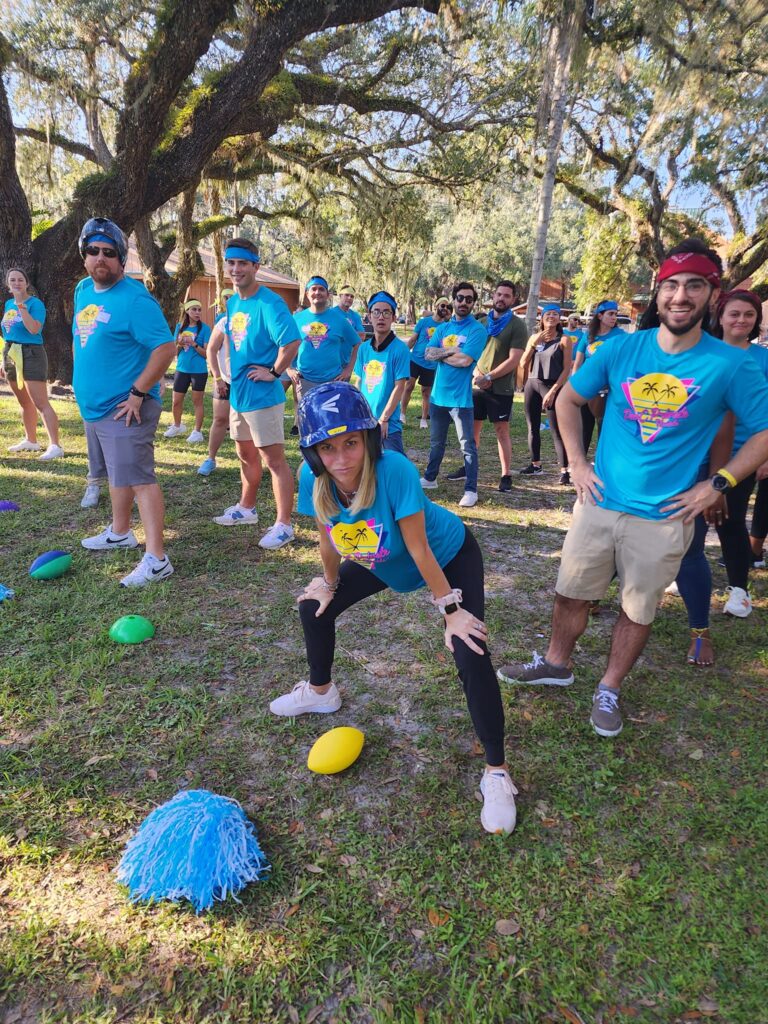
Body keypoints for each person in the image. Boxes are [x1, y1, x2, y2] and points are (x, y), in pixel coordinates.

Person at [497, 239, 768, 739]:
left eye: (694, 285)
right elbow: (569, 401)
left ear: (711, 293)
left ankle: (610, 686)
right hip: (599, 503)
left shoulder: (731, 365)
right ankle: (558, 663)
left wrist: (720, 483)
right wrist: (577, 462)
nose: (681, 296)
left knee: (637, 608)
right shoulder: (620, 348)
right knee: (569, 594)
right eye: (671, 285)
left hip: (665, 515)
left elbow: (763, 430)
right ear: (656, 293)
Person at [271, 381, 518, 835]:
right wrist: (328, 584)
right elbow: (328, 536)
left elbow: (420, 548)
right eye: (327, 447)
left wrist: (451, 611)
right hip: (384, 561)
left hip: (446, 557)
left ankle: (497, 772)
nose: (342, 458)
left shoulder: (395, 469)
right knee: (314, 608)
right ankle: (322, 692)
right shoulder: (313, 479)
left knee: (470, 649)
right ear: (311, 453)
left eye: (351, 443)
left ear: (369, 438)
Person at [72, 217, 176, 586]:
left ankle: (158, 558)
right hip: (95, 407)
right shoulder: (83, 289)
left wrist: (137, 393)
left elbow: (165, 348)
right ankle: (120, 532)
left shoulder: (134, 300)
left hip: (125, 406)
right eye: (93, 251)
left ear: (121, 258)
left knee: (140, 479)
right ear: (84, 255)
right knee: (118, 474)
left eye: (109, 253)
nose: (100, 258)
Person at [208, 237, 300, 549]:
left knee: (273, 460)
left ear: (255, 266)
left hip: (263, 396)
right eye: (231, 263)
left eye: (242, 263)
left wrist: (273, 372)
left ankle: (284, 525)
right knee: (244, 453)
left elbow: (292, 342)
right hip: (239, 395)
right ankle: (246, 508)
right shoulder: (233, 302)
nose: (236, 269)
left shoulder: (270, 303)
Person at [709, 289, 768, 618]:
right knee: (687, 519)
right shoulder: (704, 352)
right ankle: (681, 573)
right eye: (734, 313)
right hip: (699, 450)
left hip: (744, 454)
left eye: (749, 315)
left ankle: (739, 591)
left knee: (730, 521)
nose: (741, 320)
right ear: (721, 316)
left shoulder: (763, 359)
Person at [455, 280, 527, 493]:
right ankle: (468, 467)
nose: (501, 298)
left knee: (501, 431)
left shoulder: (517, 325)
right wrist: (477, 373)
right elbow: (471, 351)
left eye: (506, 295)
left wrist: (490, 376)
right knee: (471, 429)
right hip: (477, 385)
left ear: (513, 300)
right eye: (498, 294)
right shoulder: (482, 322)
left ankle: (506, 475)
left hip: (501, 388)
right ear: (493, 297)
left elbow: (515, 359)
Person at [420, 283, 487, 508]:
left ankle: (471, 489)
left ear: (473, 302)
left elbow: (466, 361)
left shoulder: (477, 330)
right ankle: (430, 478)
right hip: (438, 398)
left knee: (467, 445)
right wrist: (452, 351)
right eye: (460, 298)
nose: (464, 303)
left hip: (461, 400)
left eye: (469, 299)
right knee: (436, 443)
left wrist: (445, 354)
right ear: (454, 300)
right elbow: (428, 353)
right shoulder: (443, 329)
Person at [1, 268, 63, 460]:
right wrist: (3, 359)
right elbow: (7, 331)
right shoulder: (8, 303)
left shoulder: (35, 304)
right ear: (8, 284)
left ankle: (55, 445)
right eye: (13, 280)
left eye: (20, 280)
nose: (17, 283)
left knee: (40, 402)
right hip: (11, 351)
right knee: (24, 401)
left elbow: (34, 329)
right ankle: (31, 441)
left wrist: (22, 307)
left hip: (31, 352)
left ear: (27, 284)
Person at [518, 303, 572, 484]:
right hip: (532, 384)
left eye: (555, 314)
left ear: (559, 319)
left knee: (556, 430)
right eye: (547, 314)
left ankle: (565, 471)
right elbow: (523, 364)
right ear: (541, 318)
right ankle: (536, 465)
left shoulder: (564, 340)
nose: (551, 317)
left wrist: (553, 391)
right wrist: (533, 345)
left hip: (553, 386)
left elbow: (566, 370)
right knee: (532, 427)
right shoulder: (534, 337)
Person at [352, 291, 411, 454]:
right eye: (376, 312)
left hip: (387, 424)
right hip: (365, 422)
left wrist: (384, 419)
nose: (381, 317)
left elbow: (400, 387)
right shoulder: (363, 348)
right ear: (369, 316)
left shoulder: (400, 349)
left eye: (386, 312)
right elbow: (359, 383)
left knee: (395, 466)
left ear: (393, 318)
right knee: (367, 469)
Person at [289, 276, 360, 404]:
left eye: (321, 289)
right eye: (313, 289)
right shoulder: (296, 319)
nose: (317, 292)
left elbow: (357, 343)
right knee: (306, 421)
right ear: (307, 294)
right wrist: (289, 369)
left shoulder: (339, 319)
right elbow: (283, 345)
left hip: (333, 381)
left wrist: (348, 369)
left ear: (327, 294)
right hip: (305, 380)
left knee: (332, 421)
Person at [571, 300, 628, 454]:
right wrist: (574, 385)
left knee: (605, 427)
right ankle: (579, 463)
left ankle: (602, 463)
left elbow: (625, 363)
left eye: (615, 314)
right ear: (600, 315)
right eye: (610, 314)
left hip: (610, 389)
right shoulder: (588, 335)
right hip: (588, 387)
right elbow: (578, 363)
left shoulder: (621, 336)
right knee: (584, 427)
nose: (614, 317)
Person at [198, 289, 234, 476]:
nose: (229, 302)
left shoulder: (253, 321)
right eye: (226, 298)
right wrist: (218, 378)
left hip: (248, 382)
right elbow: (211, 350)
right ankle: (211, 458)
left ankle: (253, 461)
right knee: (220, 419)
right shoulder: (223, 322)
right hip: (225, 381)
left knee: (249, 424)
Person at [164, 300, 211, 443]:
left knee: (197, 402)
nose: (197, 312)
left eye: (199, 310)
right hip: (181, 369)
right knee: (176, 401)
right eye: (194, 309)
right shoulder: (179, 327)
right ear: (187, 311)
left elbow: (207, 354)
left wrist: (194, 344)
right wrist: (179, 343)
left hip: (199, 371)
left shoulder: (205, 329)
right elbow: (174, 350)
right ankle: (177, 426)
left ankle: (197, 432)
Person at [402, 298, 452, 428]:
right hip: (415, 360)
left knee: (426, 392)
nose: (444, 308)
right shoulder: (424, 322)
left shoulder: (446, 326)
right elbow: (413, 339)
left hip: (432, 364)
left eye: (447, 307)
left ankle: (424, 419)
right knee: (408, 386)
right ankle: (402, 414)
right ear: (436, 306)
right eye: (442, 305)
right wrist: (403, 354)